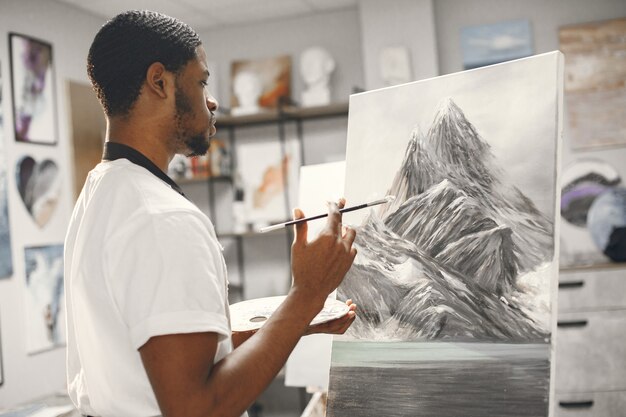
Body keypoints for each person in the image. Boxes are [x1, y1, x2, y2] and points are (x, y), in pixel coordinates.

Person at [64, 10, 357, 417]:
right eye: (201, 82)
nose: (212, 100)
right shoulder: (163, 218)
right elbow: (195, 408)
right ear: (160, 82)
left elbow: (156, 356)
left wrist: (296, 321)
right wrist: (307, 294)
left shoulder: (101, 191)